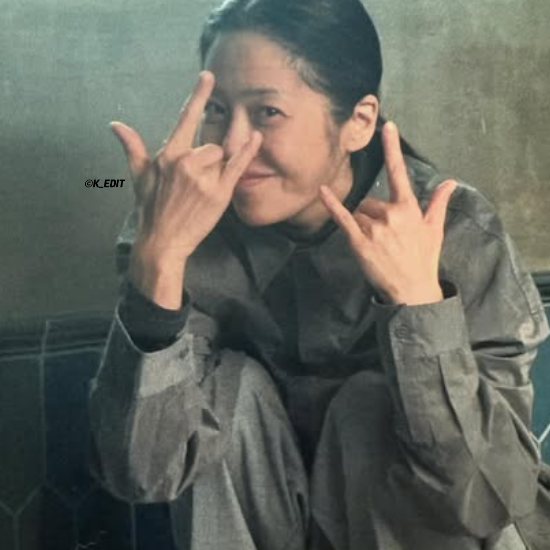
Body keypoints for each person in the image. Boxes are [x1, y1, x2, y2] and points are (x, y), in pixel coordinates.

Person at [88, 0, 550, 548]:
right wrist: (159, 263)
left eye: (267, 112)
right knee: (230, 391)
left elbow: (489, 499)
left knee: (367, 406)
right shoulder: (179, 226)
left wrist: (420, 311)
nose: (233, 144)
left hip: (432, 527)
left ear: (358, 122)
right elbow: (141, 476)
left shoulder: (456, 233)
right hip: (268, 521)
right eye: (216, 109)